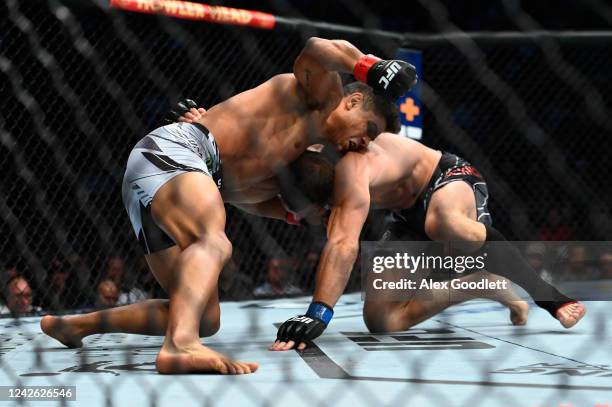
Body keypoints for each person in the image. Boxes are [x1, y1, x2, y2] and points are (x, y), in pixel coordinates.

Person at [40, 37, 416, 374]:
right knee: (214, 242)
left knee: (205, 316)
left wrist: (292, 214)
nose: (364, 144)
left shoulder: (284, 163)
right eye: (368, 131)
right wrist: (370, 65)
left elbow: (242, 198)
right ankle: (179, 347)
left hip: (160, 181)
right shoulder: (321, 95)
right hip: (176, 151)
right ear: (352, 102)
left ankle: (79, 326)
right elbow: (316, 49)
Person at [271, 133, 586, 351]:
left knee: (442, 222)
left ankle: (547, 295)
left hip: (446, 178)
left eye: (300, 214)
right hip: (406, 216)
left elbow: (342, 245)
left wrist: (317, 315)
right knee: (381, 321)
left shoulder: (350, 180)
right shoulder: (297, 158)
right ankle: (480, 284)